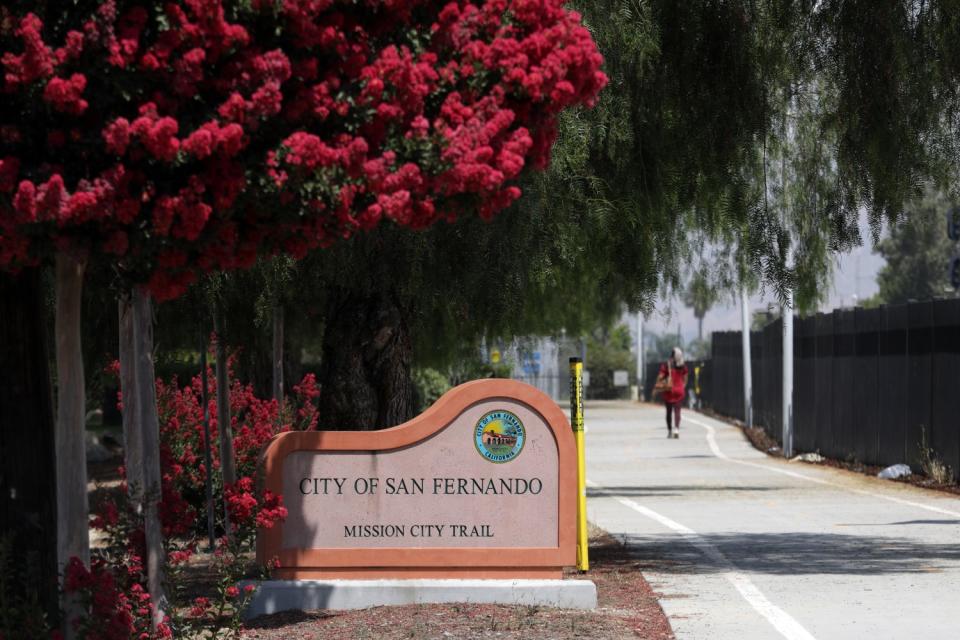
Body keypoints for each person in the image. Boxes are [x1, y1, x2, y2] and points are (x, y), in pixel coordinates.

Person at [657, 347, 689, 438]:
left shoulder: (666, 365)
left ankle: (669, 431)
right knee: (677, 411)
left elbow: (660, 376)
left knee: (668, 412)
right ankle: (677, 429)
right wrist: (683, 386)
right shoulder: (682, 365)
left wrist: (662, 380)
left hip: (668, 391)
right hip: (679, 390)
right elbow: (685, 378)